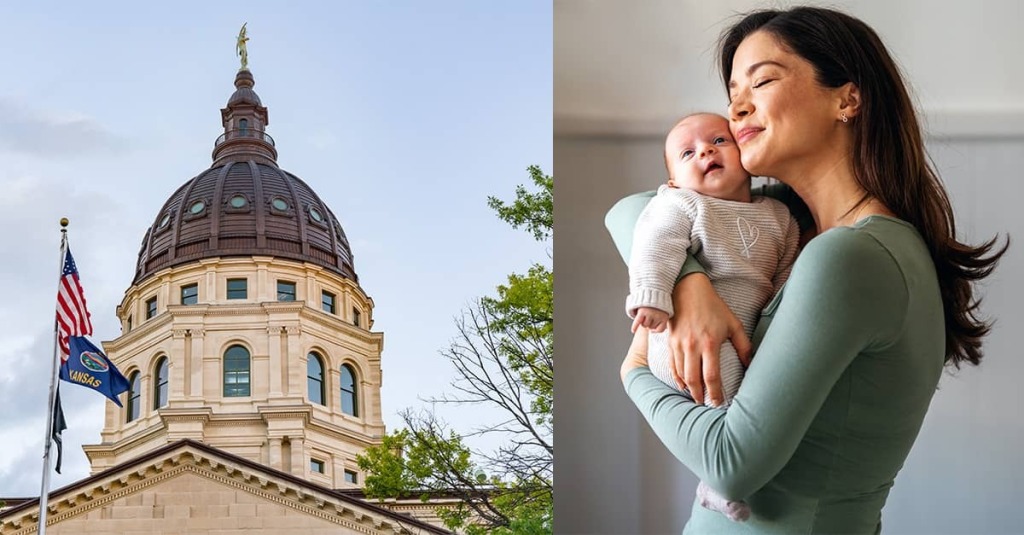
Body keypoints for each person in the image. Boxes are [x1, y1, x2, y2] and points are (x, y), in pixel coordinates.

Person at [607, 6, 1007, 533]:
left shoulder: (848, 254)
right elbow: (632, 211)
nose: (738, 107)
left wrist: (634, 370)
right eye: (732, 94)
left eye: (763, 80)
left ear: (847, 97)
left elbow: (730, 465)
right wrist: (690, 284)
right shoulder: (796, 223)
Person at [620, 112, 799, 522]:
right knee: (727, 395)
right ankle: (717, 480)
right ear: (672, 182)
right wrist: (651, 296)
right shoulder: (681, 203)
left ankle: (716, 476)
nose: (705, 151)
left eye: (719, 141)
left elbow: (786, 271)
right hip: (680, 338)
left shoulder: (779, 215)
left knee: (749, 394)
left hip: (743, 328)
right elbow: (655, 242)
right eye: (688, 153)